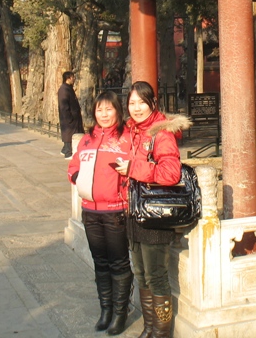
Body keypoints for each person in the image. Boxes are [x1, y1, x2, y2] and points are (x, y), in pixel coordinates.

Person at [115, 81, 190, 338]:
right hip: (135, 212)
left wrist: (133, 169)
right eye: (132, 103)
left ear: (152, 103)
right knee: (141, 273)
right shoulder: (131, 131)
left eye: (141, 103)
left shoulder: (162, 133)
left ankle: (161, 332)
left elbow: (171, 173)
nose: (136, 108)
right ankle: (149, 329)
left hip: (155, 214)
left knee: (156, 276)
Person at [67, 91, 133, 335]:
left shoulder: (126, 138)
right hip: (90, 211)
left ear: (117, 110)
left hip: (115, 210)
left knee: (118, 262)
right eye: (99, 110)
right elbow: (74, 165)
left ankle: (120, 312)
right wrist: (78, 177)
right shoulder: (87, 139)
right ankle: (105, 309)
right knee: (100, 262)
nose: (104, 114)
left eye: (109, 109)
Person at [57, 71, 84, 159]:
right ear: (68, 78)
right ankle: (68, 152)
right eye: (72, 77)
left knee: (74, 134)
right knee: (69, 135)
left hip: (74, 117)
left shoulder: (69, 88)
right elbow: (64, 106)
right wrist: (69, 118)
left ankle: (65, 149)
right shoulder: (64, 89)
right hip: (69, 119)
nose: (74, 79)